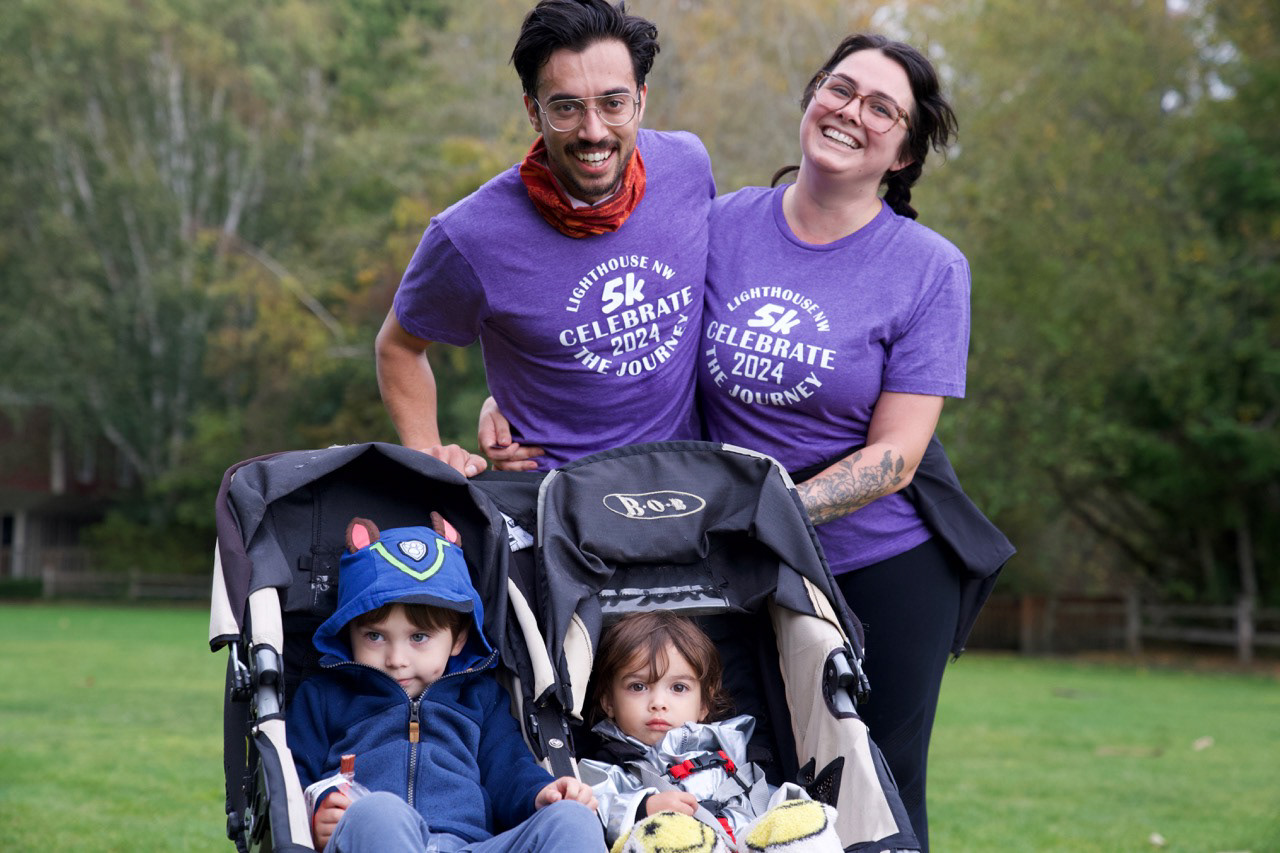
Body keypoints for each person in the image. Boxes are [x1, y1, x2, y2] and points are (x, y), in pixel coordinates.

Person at [695, 35, 971, 852]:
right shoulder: (718, 223)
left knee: (876, 797)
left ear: (905, 152)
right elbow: (639, 347)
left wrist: (773, 512)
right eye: (840, 89)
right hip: (730, 565)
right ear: (812, 95)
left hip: (881, 568)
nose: (852, 112)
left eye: (882, 108)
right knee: (738, 785)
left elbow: (897, 454)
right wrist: (516, 398)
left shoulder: (929, 268)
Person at [376, 0, 714, 476]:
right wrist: (429, 459)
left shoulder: (687, 167)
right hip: (552, 497)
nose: (593, 131)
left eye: (613, 103)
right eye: (566, 107)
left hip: (690, 480)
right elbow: (398, 348)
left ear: (641, 99)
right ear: (533, 112)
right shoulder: (469, 236)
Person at [285, 518, 604, 852]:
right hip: (375, 838)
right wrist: (316, 811)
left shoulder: (480, 699)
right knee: (378, 810)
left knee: (573, 819)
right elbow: (291, 777)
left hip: (469, 845)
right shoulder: (324, 697)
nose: (396, 659)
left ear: (458, 639)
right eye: (375, 636)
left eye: (419, 637)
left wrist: (541, 793)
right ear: (348, 632)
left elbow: (508, 772)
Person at [577, 611, 841, 853]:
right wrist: (642, 809)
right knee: (667, 836)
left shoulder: (731, 750)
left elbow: (760, 799)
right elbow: (598, 811)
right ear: (608, 701)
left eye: (678, 688)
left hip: (745, 840)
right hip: (675, 842)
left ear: (704, 704)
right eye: (638, 687)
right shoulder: (604, 770)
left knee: (799, 817)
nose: (658, 703)